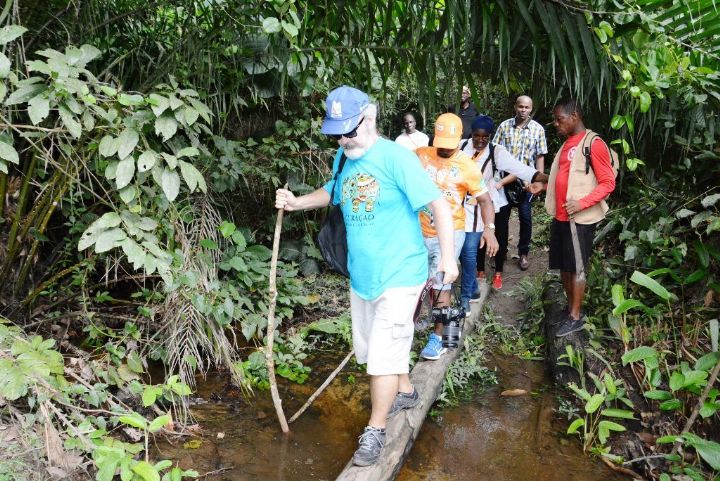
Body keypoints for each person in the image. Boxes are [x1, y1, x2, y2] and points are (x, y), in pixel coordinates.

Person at [275, 86, 457, 467]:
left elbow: (438, 205)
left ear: (369, 118)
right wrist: (296, 203)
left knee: (381, 355)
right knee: (374, 349)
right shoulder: (344, 155)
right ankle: (405, 389)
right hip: (363, 277)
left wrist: (450, 259)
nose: (343, 138)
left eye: (349, 130)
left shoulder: (396, 158)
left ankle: (375, 431)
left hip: (401, 274)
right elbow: (333, 192)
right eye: (336, 133)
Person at [415, 113, 498, 360]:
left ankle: (439, 338)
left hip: (451, 233)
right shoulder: (420, 154)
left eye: (449, 146)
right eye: (440, 143)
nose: (443, 150)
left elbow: (485, 201)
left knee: (442, 283)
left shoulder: (468, 166)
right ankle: (441, 323)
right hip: (417, 231)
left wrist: (490, 229)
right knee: (422, 280)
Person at [543, 97, 616, 336]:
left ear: (574, 116)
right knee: (565, 267)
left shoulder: (593, 143)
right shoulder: (567, 144)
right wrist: (541, 186)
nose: (555, 123)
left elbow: (608, 183)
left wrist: (582, 203)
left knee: (577, 269)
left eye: (559, 119)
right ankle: (569, 309)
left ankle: (575, 316)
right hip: (562, 217)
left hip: (580, 219)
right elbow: (565, 178)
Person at [461, 116, 548, 293]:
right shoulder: (461, 147)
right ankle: (477, 276)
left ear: (490, 136)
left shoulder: (496, 151)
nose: (480, 140)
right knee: (472, 245)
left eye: (485, 137)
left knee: (498, 237)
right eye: (477, 136)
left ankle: (498, 272)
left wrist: (551, 178)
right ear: (471, 134)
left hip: (491, 202)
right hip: (466, 205)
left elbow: (522, 170)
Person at [493, 95, 548, 271]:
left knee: (526, 218)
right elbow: (495, 152)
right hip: (505, 179)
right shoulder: (504, 126)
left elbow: (540, 156)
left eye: (527, 107)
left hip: (526, 182)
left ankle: (523, 253)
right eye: (521, 106)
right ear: (515, 107)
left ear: (531, 109)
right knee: (502, 219)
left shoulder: (537, 130)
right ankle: (501, 251)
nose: (523, 110)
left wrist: (538, 182)